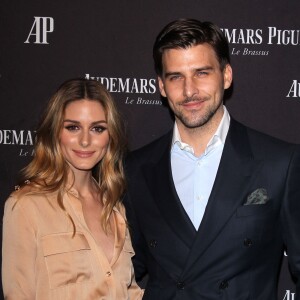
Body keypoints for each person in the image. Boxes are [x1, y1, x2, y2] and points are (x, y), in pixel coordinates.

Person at [123, 19, 300, 299]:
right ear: (161, 86)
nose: (189, 90)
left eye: (202, 73)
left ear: (226, 75)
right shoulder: (136, 170)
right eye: (176, 76)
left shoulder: (279, 162)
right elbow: (123, 271)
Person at [2, 79, 143, 300]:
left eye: (97, 128)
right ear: (54, 132)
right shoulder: (26, 206)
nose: (85, 141)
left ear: (110, 136)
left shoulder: (115, 206)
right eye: (73, 127)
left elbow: (128, 291)